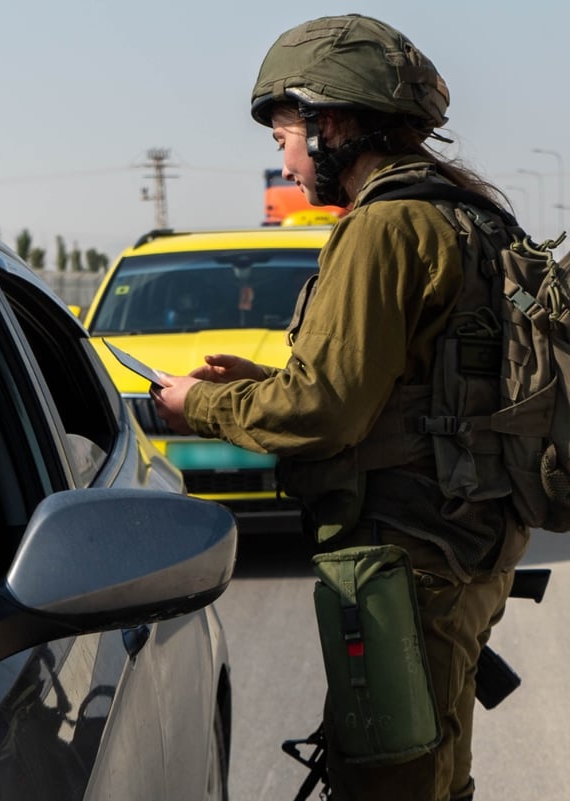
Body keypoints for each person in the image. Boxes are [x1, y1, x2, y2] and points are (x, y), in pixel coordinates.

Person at [152, 14, 528, 800]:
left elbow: (322, 411)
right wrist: (257, 380)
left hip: (409, 559)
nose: (285, 159)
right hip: (464, 542)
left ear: (333, 123)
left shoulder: (384, 228)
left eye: (286, 135)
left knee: (389, 780)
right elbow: (407, 384)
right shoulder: (463, 213)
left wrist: (204, 407)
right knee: (436, 770)